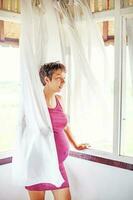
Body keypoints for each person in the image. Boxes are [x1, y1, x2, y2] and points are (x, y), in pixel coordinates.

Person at [25, 61, 90, 200]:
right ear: (46, 80)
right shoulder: (35, 104)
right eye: (58, 78)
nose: (63, 82)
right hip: (38, 165)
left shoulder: (59, 99)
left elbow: (65, 126)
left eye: (64, 78)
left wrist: (76, 145)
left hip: (57, 165)